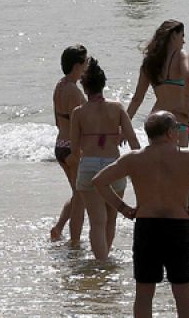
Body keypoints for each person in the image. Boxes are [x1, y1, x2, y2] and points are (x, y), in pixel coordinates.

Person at [94, 111, 189, 318]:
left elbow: (99, 181)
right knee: (183, 293)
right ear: (169, 132)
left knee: (144, 293)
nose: (179, 132)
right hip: (177, 227)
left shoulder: (134, 158)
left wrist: (123, 208)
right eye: (177, 128)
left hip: (147, 226)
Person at [68, 59, 141, 259]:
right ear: (103, 85)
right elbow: (133, 141)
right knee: (110, 219)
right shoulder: (117, 108)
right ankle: (105, 258)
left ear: (85, 87)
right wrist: (141, 166)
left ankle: (101, 263)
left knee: (96, 222)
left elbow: (74, 148)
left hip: (89, 165)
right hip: (113, 166)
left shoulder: (79, 113)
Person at [127, 21, 189, 148]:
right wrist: (186, 109)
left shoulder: (150, 62)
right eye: (182, 36)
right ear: (174, 36)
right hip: (177, 118)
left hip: (156, 119)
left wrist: (124, 126)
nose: (184, 41)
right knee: (179, 158)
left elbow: (137, 98)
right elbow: (188, 78)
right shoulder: (181, 55)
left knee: (157, 158)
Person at [50, 44, 89, 243]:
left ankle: (58, 229)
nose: (87, 65)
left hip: (60, 144)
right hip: (71, 147)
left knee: (77, 193)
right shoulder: (73, 91)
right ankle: (75, 241)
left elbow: (58, 120)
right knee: (80, 197)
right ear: (76, 66)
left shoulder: (60, 85)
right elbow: (78, 123)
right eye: (85, 62)